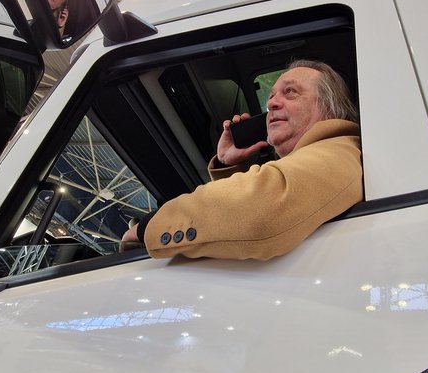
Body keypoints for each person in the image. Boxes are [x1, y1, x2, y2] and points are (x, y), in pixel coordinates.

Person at [121, 60, 363, 260]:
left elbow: (261, 210)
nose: (271, 103)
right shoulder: (322, 157)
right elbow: (236, 223)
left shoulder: (339, 148)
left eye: (291, 92)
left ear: (330, 107)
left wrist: (149, 227)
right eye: (271, 96)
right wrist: (228, 166)